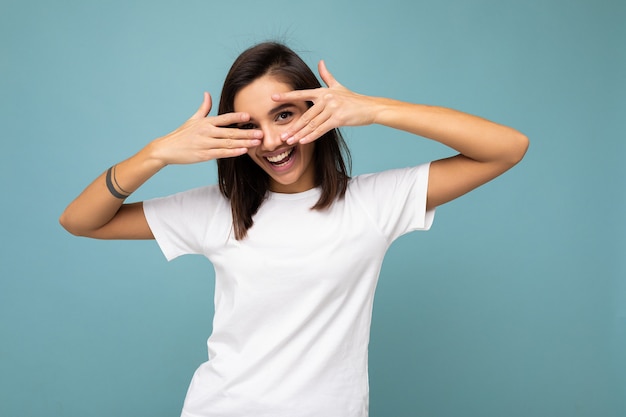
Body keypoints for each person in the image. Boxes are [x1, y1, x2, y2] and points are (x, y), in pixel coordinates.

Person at [59, 42, 528, 417]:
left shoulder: (374, 202)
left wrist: (375, 109)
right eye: (252, 126)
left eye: (284, 115)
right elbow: (80, 221)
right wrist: (156, 154)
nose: (273, 141)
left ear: (316, 110)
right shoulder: (218, 210)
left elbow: (507, 148)